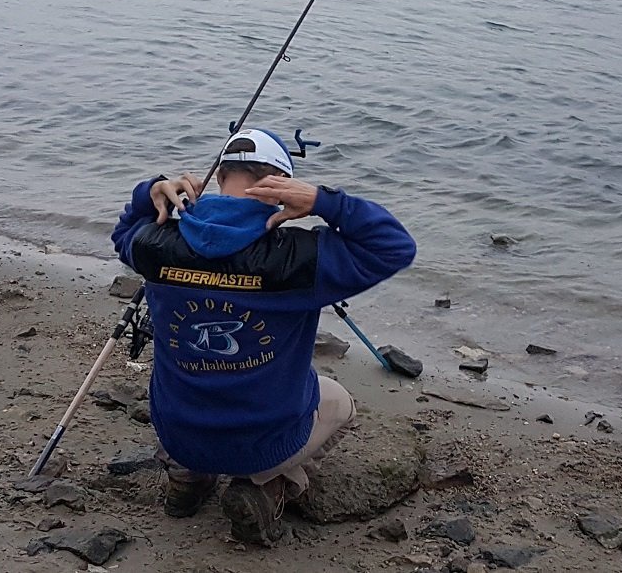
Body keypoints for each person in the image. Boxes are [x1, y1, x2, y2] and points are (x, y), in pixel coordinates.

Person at [110, 128, 416, 545]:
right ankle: (267, 484)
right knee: (340, 403)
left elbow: (124, 231)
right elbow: (394, 246)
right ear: (281, 188)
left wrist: (151, 194)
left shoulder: (155, 241)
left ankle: (188, 475)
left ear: (219, 178)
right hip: (262, 440)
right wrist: (325, 202)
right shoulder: (304, 256)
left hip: (178, 432)